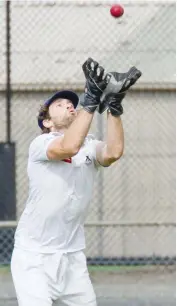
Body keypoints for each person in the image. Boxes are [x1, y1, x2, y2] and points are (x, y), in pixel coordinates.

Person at [11, 58, 141, 306]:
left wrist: (114, 108)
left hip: (72, 257)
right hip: (33, 257)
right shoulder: (41, 144)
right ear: (47, 122)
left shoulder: (90, 145)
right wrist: (91, 99)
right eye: (59, 105)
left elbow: (113, 152)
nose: (69, 106)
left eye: (72, 104)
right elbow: (68, 146)